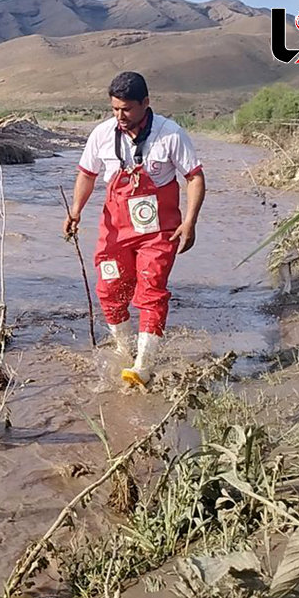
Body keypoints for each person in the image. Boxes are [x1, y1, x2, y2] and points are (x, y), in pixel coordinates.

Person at [63, 71, 206, 385]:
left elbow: (194, 177)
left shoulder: (171, 135)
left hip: (159, 233)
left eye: (126, 109)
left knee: (151, 291)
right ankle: (124, 349)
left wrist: (189, 222)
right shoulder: (102, 134)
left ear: (145, 103)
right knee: (110, 290)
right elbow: (87, 174)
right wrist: (76, 211)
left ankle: (143, 364)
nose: (120, 116)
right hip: (114, 232)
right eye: (115, 109)